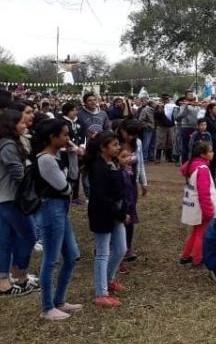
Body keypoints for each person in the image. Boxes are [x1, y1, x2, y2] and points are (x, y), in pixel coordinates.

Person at [30, 118, 81, 319]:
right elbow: (65, 187)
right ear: (53, 137)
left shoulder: (58, 155)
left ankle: (59, 300)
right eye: (65, 134)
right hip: (51, 209)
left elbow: (73, 179)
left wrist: (73, 154)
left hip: (61, 209)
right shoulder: (46, 160)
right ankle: (47, 306)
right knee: (51, 259)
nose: (68, 138)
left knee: (71, 255)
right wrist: (68, 185)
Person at [86, 131, 127, 308]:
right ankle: (101, 293)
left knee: (121, 248)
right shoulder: (98, 167)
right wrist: (119, 213)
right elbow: (101, 197)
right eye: (115, 145)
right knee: (102, 253)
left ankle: (109, 280)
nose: (119, 148)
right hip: (103, 214)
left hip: (115, 211)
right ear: (103, 148)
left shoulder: (113, 164)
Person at [0, 110, 38, 297]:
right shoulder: (8, 145)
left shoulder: (7, 143)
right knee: (29, 236)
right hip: (11, 199)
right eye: (21, 123)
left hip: (5, 198)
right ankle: (19, 274)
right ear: (11, 124)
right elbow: (17, 174)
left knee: (6, 241)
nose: (25, 126)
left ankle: (5, 281)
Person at [181, 141, 216, 264]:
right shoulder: (202, 170)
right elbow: (204, 193)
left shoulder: (192, 166)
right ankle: (198, 258)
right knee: (201, 234)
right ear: (203, 154)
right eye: (210, 151)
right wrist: (209, 211)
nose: (213, 153)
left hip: (193, 206)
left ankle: (186, 255)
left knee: (195, 231)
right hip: (201, 208)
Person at [116, 119, 147, 266]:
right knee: (117, 214)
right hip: (117, 184)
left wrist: (143, 182)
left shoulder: (138, 143)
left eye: (135, 135)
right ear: (122, 131)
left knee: (130, 215)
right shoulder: (113, 142)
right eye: (130, 134)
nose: (132, 138)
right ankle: (113, 246)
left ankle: (128, 246)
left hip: (131, 184)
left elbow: (139, 162)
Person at [176, 91, 201, 163]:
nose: (191, 96)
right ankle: (184, 163)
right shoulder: (183, 105)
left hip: (195, 127)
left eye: (191, 95)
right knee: (185, 146)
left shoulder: (197, 106)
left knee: (195, 146)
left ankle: (193, 162)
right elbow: (180, 116)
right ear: (186, 96)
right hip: (186, 127)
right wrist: (186, 107)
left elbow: (198, 116)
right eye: (189, 95)